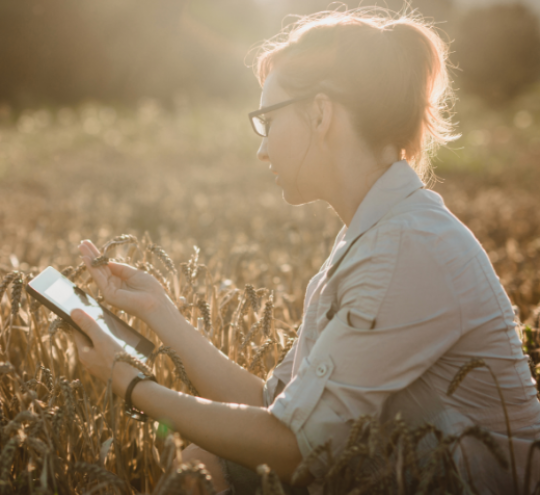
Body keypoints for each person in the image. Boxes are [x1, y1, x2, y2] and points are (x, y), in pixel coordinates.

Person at [70, 8, 540, 495]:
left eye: (267, 121)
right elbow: (273, 408)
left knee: (203, 469)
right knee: (204, 462)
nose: (262, 149)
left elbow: (296, 449)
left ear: (320, 114)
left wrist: (131, 385)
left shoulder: (401, 249)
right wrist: (159, 312)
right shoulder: (377, 233)